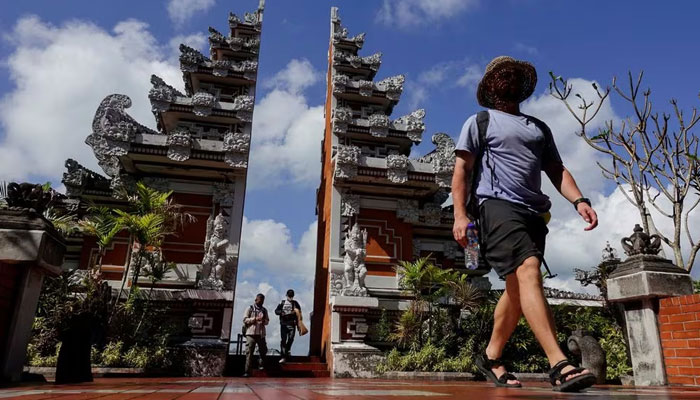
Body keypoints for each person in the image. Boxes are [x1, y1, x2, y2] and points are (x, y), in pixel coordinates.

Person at [451, 56, 599, 393]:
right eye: (501, 75)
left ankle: (491, 356)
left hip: (534, 213)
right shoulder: (480, 122)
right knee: (529, 269)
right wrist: (461, 215)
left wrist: (580, 200)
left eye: (514, 75)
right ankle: (559, 363)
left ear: (522, 86)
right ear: (490, 86)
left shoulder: (538, 128)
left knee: (518, 288)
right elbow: (461, 170)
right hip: (496, 207)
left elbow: (557, 170)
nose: (508, 79)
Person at [242, 293, 269, 377]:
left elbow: (267, 321)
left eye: (262, 300)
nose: (261, 302)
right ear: (256, 300)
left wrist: (264, 320)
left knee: (263, 351)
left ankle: (261, 366)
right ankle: (247, 371)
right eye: (259, 300)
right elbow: (245, 319)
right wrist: (254, 319)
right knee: (249, 352)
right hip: (251, 333)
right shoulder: (250, 308)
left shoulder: (264, 310)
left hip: (261, 334)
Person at [274, 289, 301, 364]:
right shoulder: (282, 303)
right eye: (289, 296)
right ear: (286, 295)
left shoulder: (295, 303)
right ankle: (283, 356)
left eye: (291, 296)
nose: (290, 297)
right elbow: (276, 311)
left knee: (291, 338)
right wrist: (281, 312)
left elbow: (299, 312)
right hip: (283, 323)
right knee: (283, 340)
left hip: (292, 324)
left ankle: (287, 350)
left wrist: (295, 313)